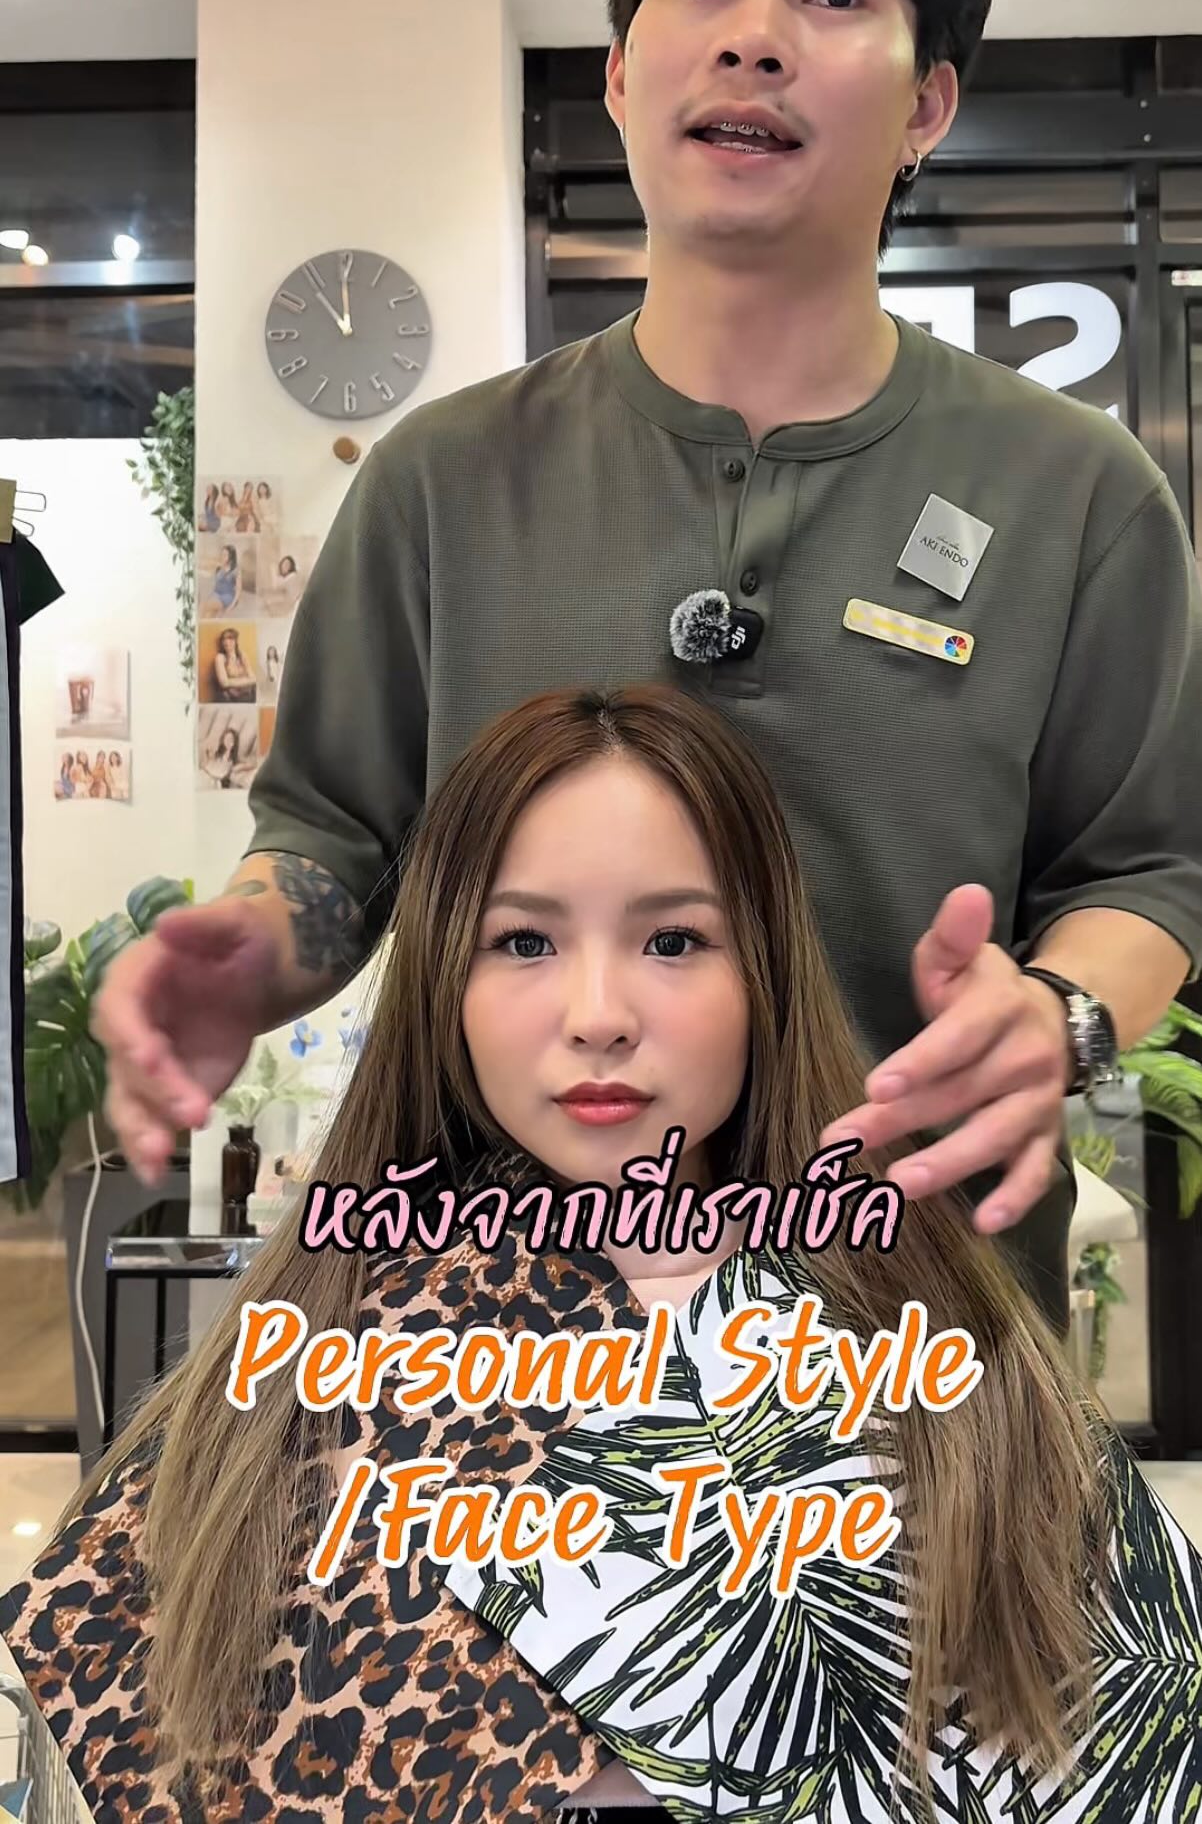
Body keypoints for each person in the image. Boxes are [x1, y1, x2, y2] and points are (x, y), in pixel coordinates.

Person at [93, 0, 1202, 1339]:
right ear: (619, 76)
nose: (753, 35)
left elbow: (1144, 869)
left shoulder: (1075, 490)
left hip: (903, 1337)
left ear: (927, 104)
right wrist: (251, 949)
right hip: (493, 1349)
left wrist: (1062, 1014)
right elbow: (332, 834)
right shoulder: (440, 480)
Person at [6, 687, 1201, 1824]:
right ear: (444, 978)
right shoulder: (314, 1352)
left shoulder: (930, 1344)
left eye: (673, 940)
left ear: (763, 969)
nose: (596, 1014)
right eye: (522, 940)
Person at [210, 628, 255, 704]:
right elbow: (224, 683)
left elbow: (253, 678)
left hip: (248, 695)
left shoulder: (242, 655)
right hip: (232, 699)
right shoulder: (220, 657)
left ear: (236, 641)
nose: (226, 642)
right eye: (224, 639)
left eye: (230, 638)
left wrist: (231, 682)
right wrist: (247, 680)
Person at [203, 544, 241, 618]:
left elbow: (238, 590)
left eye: (225, 555)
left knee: (204, 605)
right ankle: (216, 618)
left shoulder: (236, 570)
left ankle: (219, 612)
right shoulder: (219, 567)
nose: (222, 557)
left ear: (231, 556)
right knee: (208, 615)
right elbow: (207, 571)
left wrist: (231, 606)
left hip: (227, 597)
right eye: (222, 554)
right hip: (216, 594)